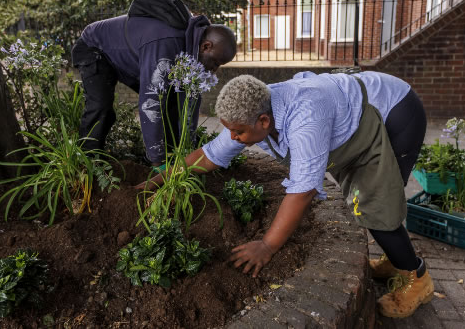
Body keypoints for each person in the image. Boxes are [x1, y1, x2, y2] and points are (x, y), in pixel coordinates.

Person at [137, 70, 432, 319]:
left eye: (238, 132)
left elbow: (303, 191)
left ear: (263, 121)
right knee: (368, 202)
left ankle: (417, 278)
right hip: (355, 115)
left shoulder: (306, 121)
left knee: (377, 206)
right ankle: (396, 259)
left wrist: (267, 246)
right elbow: (211, 154)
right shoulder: (255, 111)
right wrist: (159, 181)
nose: (234, 138)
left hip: (394, 113)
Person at [71, 13, 237, 166]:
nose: (214, 70)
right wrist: (158, 162)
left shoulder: (192, 42)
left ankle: (169, 154)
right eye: (215, 63)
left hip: (131, 56)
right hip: (95, 48)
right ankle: (87, 162)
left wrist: (188, 146)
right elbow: (151, 103)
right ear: (206, 46)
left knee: (172, 98)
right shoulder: (166, 42)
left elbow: (190, 99)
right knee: (101, 106)